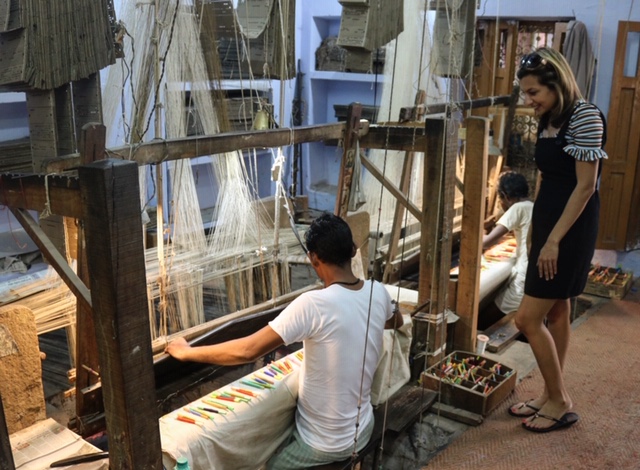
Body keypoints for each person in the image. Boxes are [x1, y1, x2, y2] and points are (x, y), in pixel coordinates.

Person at [165, 212, 403, 468]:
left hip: (326, 444)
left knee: (269, 465)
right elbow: (395, 321)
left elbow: (247, 351)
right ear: (354, 250)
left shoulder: (313, 304)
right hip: (363, 426)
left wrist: (187, 351)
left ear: (313, 258)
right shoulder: (378, 292)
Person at [507, 47, 607, 433]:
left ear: (557, 83)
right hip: (549, 221)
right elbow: (548, 178)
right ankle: (552, 392)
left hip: (572, 225)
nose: (529, 101)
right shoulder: (550, 116)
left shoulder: (585, 117)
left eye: (534, 93)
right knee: (558, 310)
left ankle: (561, 401)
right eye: (527, 94)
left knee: (527, 318)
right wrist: (535, 228)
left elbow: (584, 187)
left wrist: (554, 241)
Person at [481, 171, 533, 325]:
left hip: (523, 279)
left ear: (505, 196)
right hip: (531, 274)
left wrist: (477, 230)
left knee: (483, 320)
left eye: (499, 199)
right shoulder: (532, 205)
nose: (500, 204)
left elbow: (485, 242)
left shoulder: (517, 208)